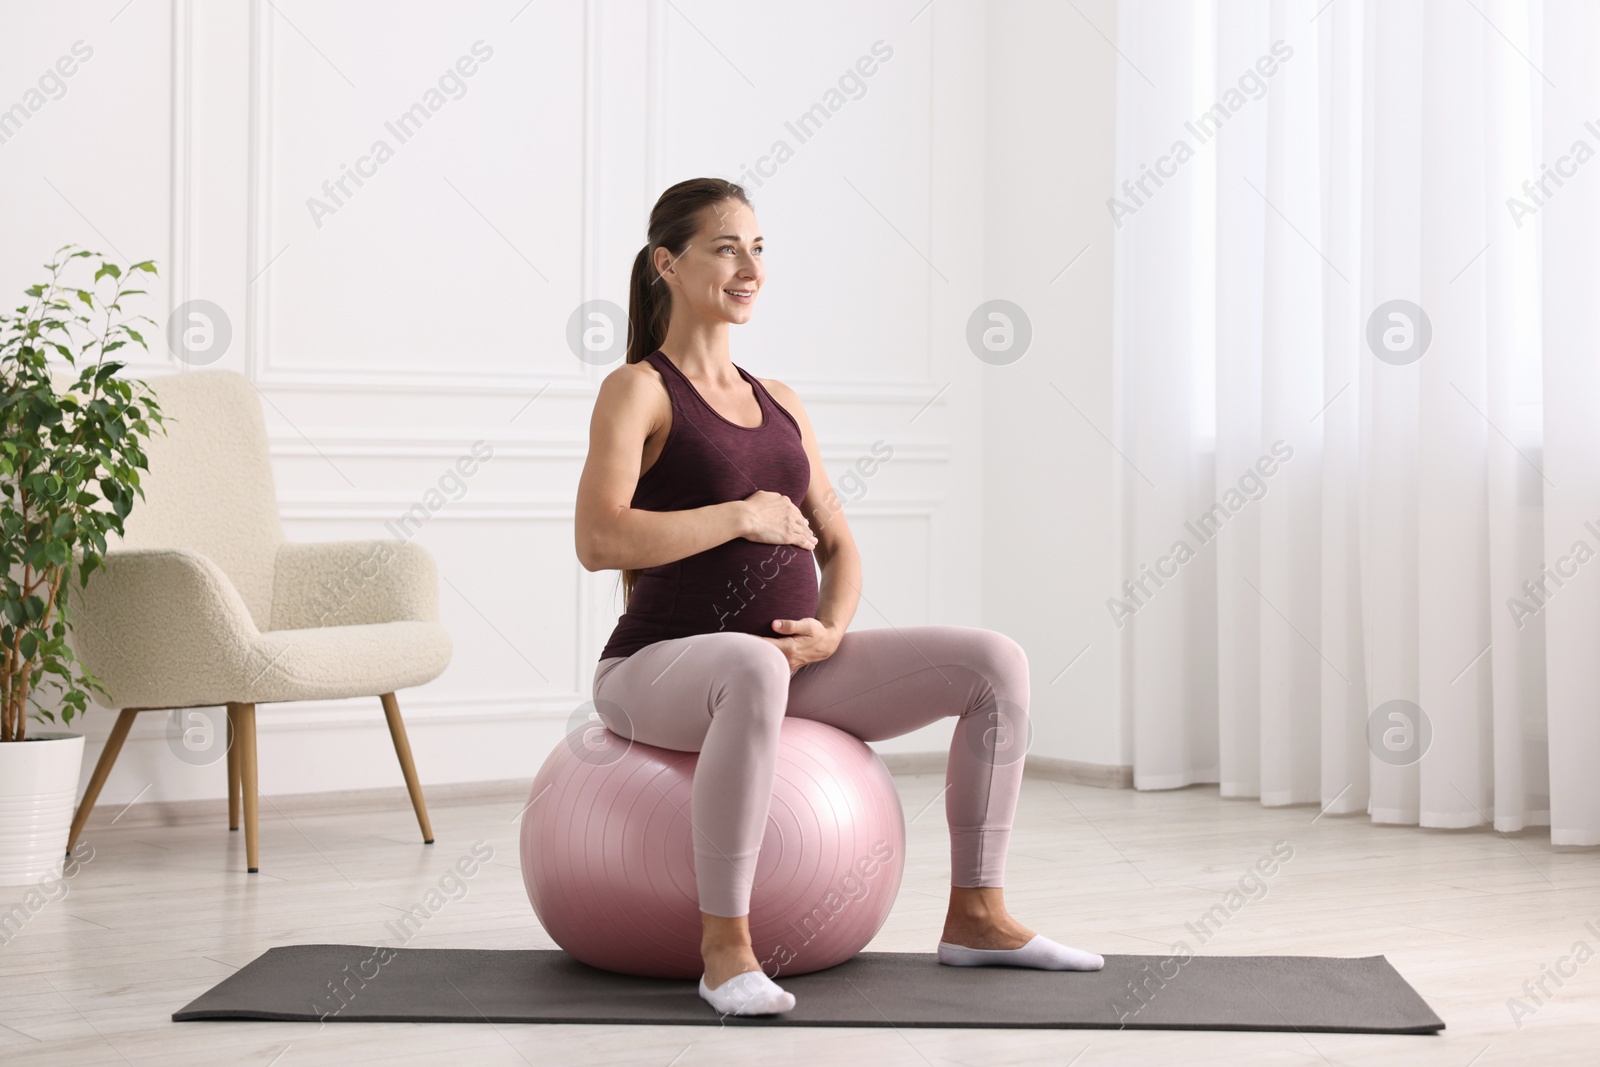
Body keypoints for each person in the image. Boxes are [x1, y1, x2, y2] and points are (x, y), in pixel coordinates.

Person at [573, 178, 1104, 1018]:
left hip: (787, 663)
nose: (750, 267)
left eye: (758, 248)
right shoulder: (638, 388)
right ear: (666, 264)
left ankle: (977, 915)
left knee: (993, 663)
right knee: (750, 666)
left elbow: (841, 542)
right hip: (656, 668)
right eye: (726, 248)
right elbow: (599, 539)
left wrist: (830, 629)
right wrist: (738, 515)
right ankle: (726, 949)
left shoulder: (780, 401)